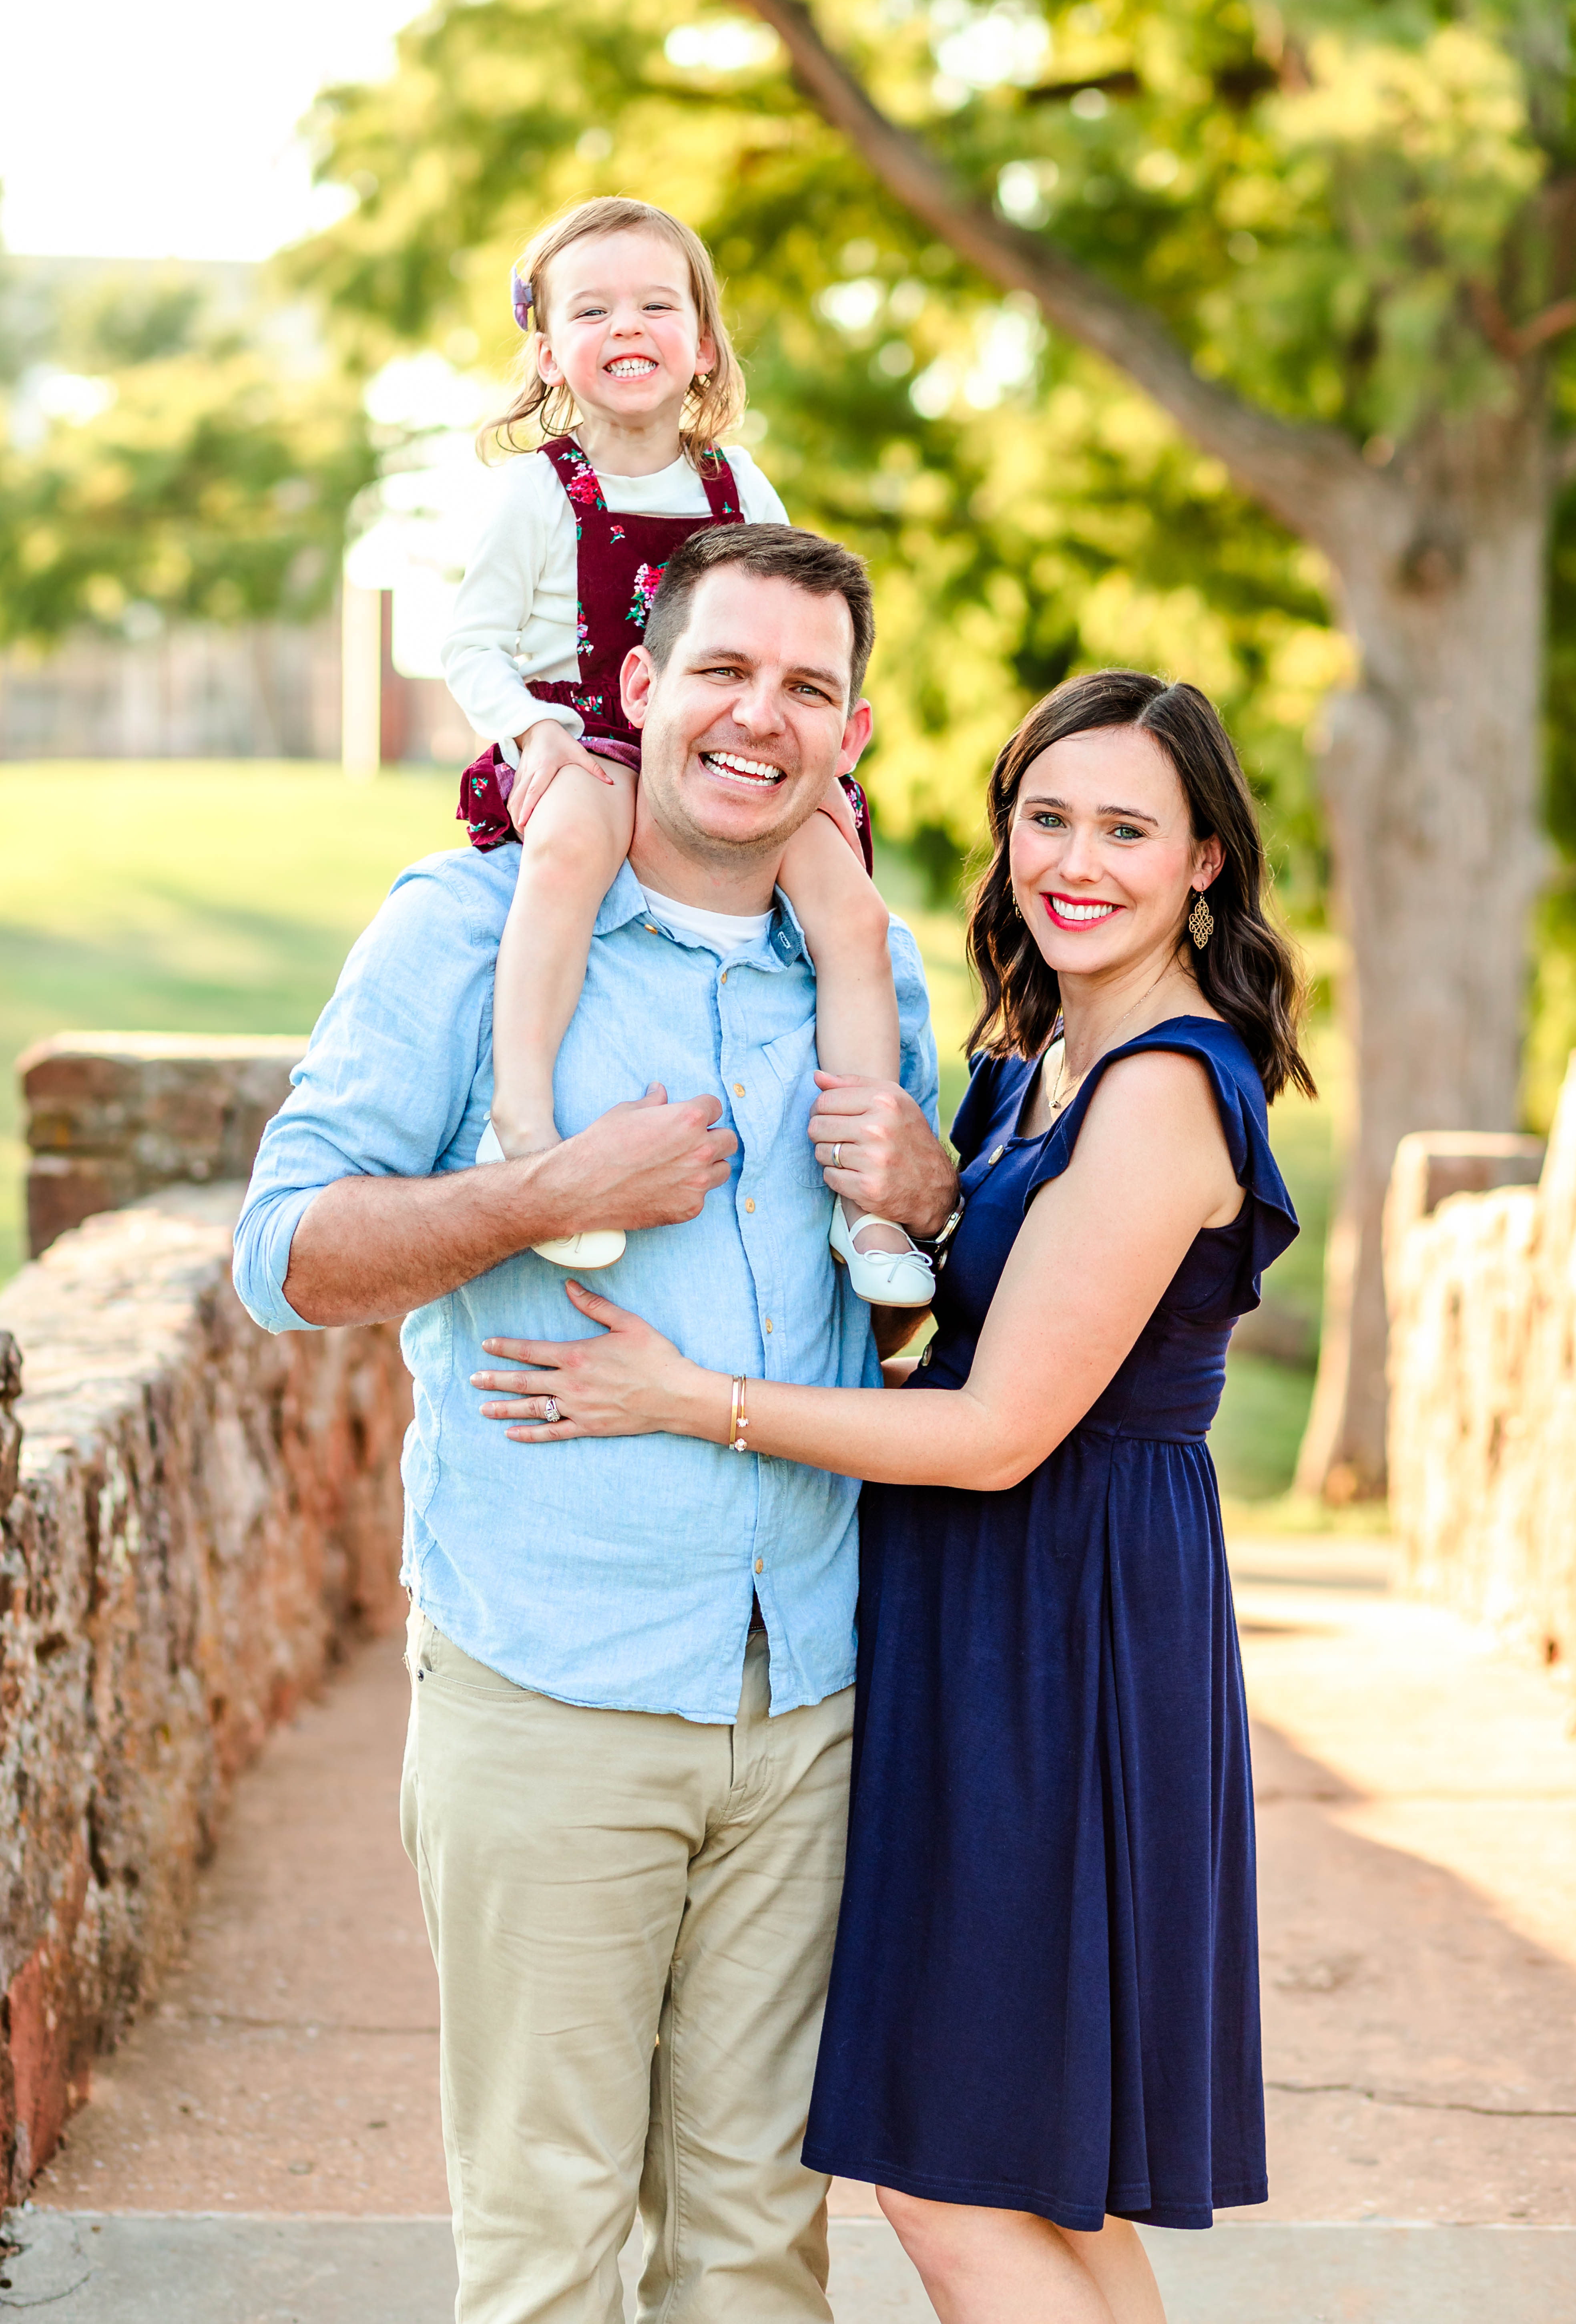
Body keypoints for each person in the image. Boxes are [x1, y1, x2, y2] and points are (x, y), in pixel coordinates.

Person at [470, 669, 1314, 2324]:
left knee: (952, 2171)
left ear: (1204, 859)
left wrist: (688, 1401)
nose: (1074, 862)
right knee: (1036, 2174)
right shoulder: (1035, 1065)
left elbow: (995, 1429)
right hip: (987, 1623)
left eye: (1127, 830)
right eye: (1045, 819)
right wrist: (932, 1207)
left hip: (1066, 1642)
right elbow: (972, 1315)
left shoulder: (1160, 1088)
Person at [233, 520, 965, 2324]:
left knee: (756, 2250)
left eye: (807, 689)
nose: (760, 718)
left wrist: (934, 1197)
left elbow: (914, 1323)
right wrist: (543, 1190)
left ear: (852, 736)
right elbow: (286, 1256)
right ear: (637, 685)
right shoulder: (466, 928)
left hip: (807, 1700)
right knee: (547, 2250)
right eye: (722, 670)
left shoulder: (865, 972)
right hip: (551, 1686)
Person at [442, 193, 930, 1302]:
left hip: (723, 740)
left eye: (656, 305)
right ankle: (523, 1119)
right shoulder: (537, 490)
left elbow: (794, 620)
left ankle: (864, 1198)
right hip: (585, 735)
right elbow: (468, 644)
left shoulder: (736, 484)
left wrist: (812, 760)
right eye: (592, 310)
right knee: (571, 850)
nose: (627, 326)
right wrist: (535, 733)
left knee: (852, 911)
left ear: (703, 345)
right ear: (549, 352)